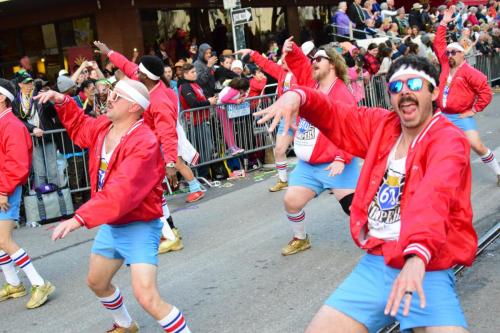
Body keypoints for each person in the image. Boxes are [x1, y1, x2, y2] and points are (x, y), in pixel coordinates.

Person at [256, 55, 476, 332]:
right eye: (397, 87)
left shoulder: (448, 139)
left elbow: (435, 197)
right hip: (377, 264)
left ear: (433, 92)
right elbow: (337, 115)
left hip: (425, 267)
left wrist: (417, 257)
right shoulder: (383, 126)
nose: (405, 92)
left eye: (415, 84)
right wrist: (298, 97)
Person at [36, 80, 191, 333]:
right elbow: (80, 127)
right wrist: (62, 101)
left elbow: (122, 191)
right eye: (110, 93)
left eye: (116, 96)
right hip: (112, 224)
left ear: (133, 106)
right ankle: (125, 324)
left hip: (140, 225)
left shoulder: (145, 142)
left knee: (147, 298)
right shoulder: (104, 126)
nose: (108, 98)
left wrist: (79, 218)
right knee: (96, 282)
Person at [94, 41, 194, 253]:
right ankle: (171, 230)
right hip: (146, 148)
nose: (134, 71)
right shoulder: (147, 84)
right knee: (154, 194)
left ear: (146, 77)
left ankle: (168, 237)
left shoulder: (159, 100)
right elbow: (128, 67)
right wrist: (109, 51)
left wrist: (169, 163)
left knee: (147, 194)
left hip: (154, 151)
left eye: (139, 71)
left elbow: (168, 134)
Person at [275, 38, 359, 256]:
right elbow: (301, 65)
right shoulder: (311, 85)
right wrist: (291, 50)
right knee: (291, 202)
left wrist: (341, 158)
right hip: (309, 166)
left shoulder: (342, 94)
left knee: (357, 211)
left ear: (332, 64)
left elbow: (352, 129)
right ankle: (300, 238)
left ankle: (390, 243)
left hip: (335, 163)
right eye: (313, 58)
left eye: (319, 58)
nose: (314, 61)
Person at [0, 78, 55, 309]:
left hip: (5, 189)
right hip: (3, 187)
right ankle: (13, 283)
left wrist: (3, 190)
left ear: (2, 98)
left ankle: (39, 282)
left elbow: (18, 164)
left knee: (4, 240)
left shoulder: (11, 125)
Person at [436, 7, 500, 186]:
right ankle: (444, 179)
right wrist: (443, 23)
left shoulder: (471, 72)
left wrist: (474, 110)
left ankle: (498, 171)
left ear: (462, 54)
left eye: (453, 52)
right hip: (442, 115)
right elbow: (438, 44)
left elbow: (486, 93)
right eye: (447, 53)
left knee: (477, 146)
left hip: (460, 116)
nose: (449, 55)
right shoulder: (445, 65)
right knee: (438, 147)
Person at [235, 48, 297, 193]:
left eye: (285, 59)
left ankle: (333, 179)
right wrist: (252, 53)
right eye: (282, 59)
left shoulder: (303, 73)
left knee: (315, 149)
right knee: (279, 149)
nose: (281, 62)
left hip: (305, 117)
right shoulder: (282, 73)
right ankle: (283, 180)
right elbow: (266, 64)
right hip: (287, 118)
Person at [12, 71, 60, 188]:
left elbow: (53, 114)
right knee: (39, 171)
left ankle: (56, 196)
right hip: (32, 138)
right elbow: (19, 121)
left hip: (48, 134)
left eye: (31, 82)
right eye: (26, 83)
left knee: (52, 168)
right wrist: (33, 129)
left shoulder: (39, 95)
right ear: (20, 85)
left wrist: (47, 102)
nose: (30, 85)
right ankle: (42, 198)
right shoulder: (16, 101)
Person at [216, 77, 248, 156]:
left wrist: (241, 98)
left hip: (226, 109)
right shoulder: (233, 91)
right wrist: (235, 101)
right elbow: (224, 99)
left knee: (230, 128)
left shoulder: (234, 90)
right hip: (222, 109)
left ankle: (233, 146)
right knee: (227, 128)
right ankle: (231, 147)